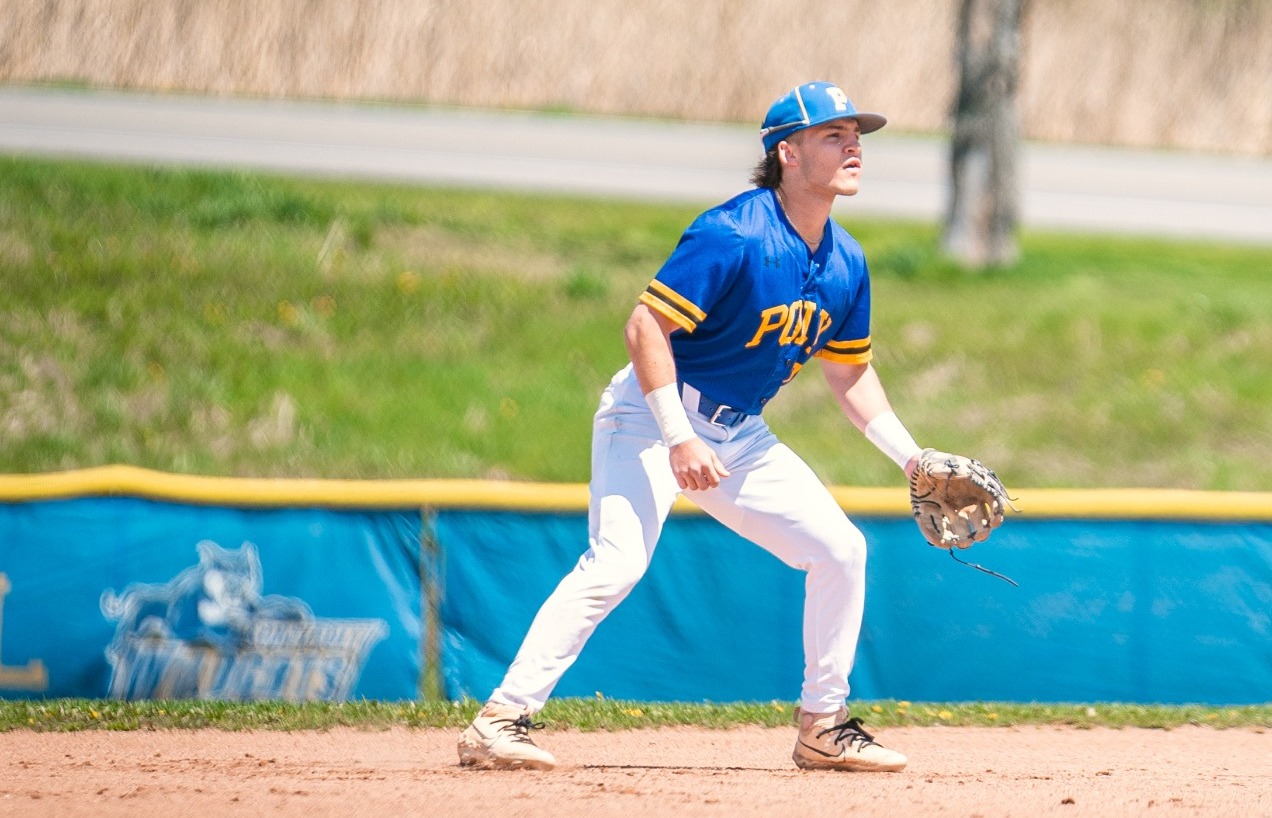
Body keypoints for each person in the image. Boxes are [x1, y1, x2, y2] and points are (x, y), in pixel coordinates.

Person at [459, 81, 922, 773]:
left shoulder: (846, 261)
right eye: (834, 134)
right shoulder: (733, 232)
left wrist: (913, 460)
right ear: (787, 153)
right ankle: (498, 722)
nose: (855, 144)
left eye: (856, 133)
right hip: (652, 416)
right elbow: (646, 324)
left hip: (739, 434)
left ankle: (822, 726)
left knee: (841, 551)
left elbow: (849, 374)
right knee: (617, 563)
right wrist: (678, 433)